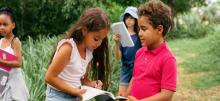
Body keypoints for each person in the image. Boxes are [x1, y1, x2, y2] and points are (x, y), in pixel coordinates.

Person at [45, 7, 111, 101]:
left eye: (102, 40)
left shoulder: (89, 52)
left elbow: (81, 79)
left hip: (75, 96)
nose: (99, 43)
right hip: (58, 96)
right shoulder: (68, 48)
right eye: (96, 39)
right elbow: (49, 77)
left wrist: (92, 84)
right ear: (84, 30)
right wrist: (74, 91)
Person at [127, 0, 176, 101]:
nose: (139, 33)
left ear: (159, 29)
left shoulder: (168, 59)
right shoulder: (139, 53)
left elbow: (167, 95)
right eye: (139, 29)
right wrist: (125, 97)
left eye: (144, 29)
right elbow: (134, 78)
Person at [0, 7, 29, 101]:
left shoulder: (15, 41)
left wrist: (1, 62)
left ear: (13, 25)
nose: (2, 27)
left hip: (14, 84)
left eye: (5, 24)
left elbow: (19, 63)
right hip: (3, 81)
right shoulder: (0, 42)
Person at [113, 6, 141, 97]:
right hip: (125, 69)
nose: (129, 20)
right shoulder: (121, 36)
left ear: (136, 20)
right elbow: (118, 57)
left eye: (132, 18)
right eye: (127, 17)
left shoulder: (139, 36)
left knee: (133, 95)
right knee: (121, 96)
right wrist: (116, 43)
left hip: (137, 68)